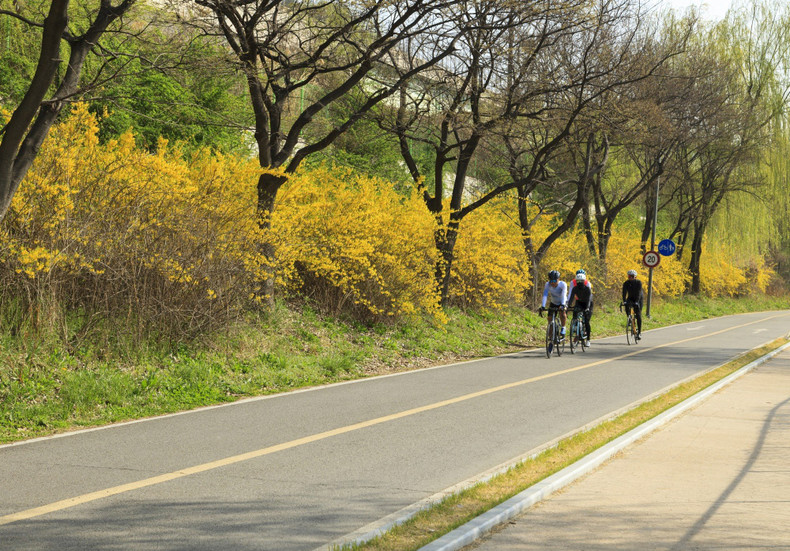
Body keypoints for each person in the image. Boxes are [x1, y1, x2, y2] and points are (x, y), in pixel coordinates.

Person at [568, 271, 593, 345]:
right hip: (579, 302)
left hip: (588, 303)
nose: (579, 282)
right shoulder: (575, 288)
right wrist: (568, 306)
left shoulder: (587, 288)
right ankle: (576, 330)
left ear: (584, 281)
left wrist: (587, 308)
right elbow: (571, 298)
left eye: (581, 281)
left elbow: (588, 300)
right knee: (575, 313)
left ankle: (588, 339)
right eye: (577, 281)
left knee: (587, 321)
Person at [541, 269, 568, 337]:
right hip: (553, 302)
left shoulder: (563, 284)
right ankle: (551, 338)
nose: (552, 283)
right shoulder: (547, 284)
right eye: (551, 281)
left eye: (554, 281)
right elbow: (545, 295)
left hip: (563, 301)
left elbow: (563, 295)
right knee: (550, 319)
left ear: (558, 279)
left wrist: (562, 305)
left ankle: (563, 327)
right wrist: (543, 306)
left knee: (562, 313)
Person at [622, 268, 643, 340]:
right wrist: (624, 301)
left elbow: (639, 293)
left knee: (638, 314)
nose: (630, 277)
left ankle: (639, 332)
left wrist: (637, 302)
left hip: (639, 298)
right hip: (630, 297)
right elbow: (624, 293)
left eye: (632, 276)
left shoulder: (638, 282)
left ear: (635, 277)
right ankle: (629, 318)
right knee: (626, 305)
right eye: (629, 276)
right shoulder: (626, 283)